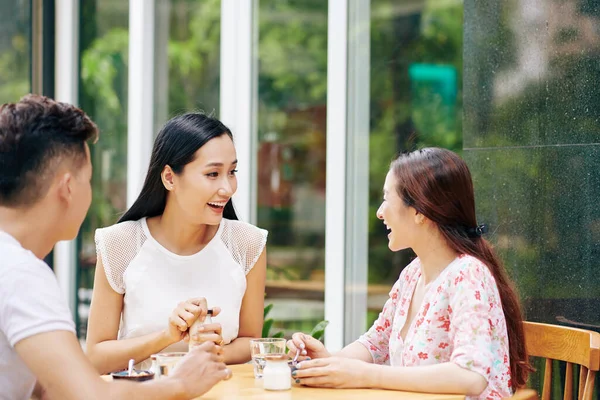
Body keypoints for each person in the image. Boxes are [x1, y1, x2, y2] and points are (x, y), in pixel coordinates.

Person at [0, 94, 231, 400]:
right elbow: (88, 395)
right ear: (68, 188)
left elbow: (50, 389)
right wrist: (181, 384)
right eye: (89, 180)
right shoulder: (21, 275)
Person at [287, 148, 530, 399]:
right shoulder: (412, 274)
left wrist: (364, 374)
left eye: (387, 198)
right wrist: (328, 362)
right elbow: (375, 344)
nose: (380, 212)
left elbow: (471, 376)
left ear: (419, 212)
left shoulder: (468, 275)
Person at [86, 112, 268, 374]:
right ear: (170, 178)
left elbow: (252, 341)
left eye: (232, 172)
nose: (227, 188)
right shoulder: (120, 244)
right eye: (213, 173)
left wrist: (206, 352)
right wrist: (169, 336)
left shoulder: (247, 243)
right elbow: (96, 356)